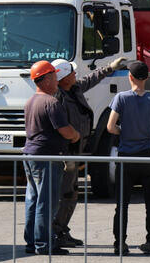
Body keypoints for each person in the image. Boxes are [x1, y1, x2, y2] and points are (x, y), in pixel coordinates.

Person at [50, 56, 126, 247]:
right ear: (64, 77)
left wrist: (110, 67)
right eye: (72, 72)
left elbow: (92, 78)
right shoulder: (57, 97)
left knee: (72, 193)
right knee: (64, 194)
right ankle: (55, 231)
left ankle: (61, 229)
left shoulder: (73, 89)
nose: (76, 74)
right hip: (64, 154)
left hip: (75, 152)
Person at [106, 60, 150, 256]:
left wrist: (124, 132)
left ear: (129, 77)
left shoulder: (121, 98)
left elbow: (110, 126)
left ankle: (120, 243)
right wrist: (148, 134)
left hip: (127, 156)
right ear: (147, 78)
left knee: (122, 204)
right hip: (148, 155)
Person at [23, 60, 80, 255]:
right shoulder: (51, 102)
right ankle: (44, 243)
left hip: (31, 156)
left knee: (33, 200)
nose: (57, 80)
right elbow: (65, 131)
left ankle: (32, 242)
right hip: (47, 158)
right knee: (46, 202)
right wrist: (76, 135)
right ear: (46, 79)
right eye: (54, 76)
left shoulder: (31, 101)